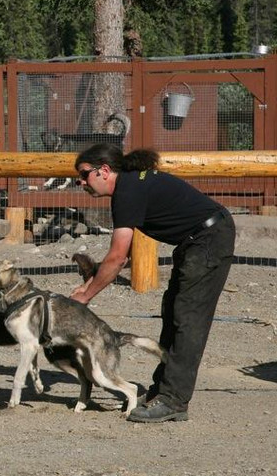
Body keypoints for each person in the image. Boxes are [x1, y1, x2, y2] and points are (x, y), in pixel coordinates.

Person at [71, 144, 235, 423]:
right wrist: (92, 281)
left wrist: (86, 296)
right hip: (196, 241)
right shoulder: (130, 187)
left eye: (84, 175)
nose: (81, 182)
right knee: (173, 312)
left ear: (105, 170)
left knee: (188, 319)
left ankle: (173, 400)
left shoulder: (127, 190)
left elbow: (117, 258)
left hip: (208, 239)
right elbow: (123, 254)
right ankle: (162, 390)